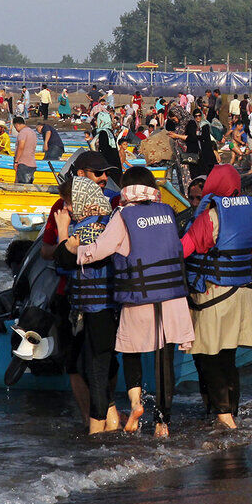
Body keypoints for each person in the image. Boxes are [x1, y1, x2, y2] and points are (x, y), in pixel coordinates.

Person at [65, 166, 194, 439]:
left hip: (139, 298)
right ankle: (163, 423)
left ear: (126, 190)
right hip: (173, 299)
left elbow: (101, 249)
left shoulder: (124, 215)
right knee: (164, 360)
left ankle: (136, 405)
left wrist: (76, 249)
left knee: (132, 351)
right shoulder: (167, 213)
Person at [180, 165, 252, 429]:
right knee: (227, 356)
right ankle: (230, 412)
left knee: (208, 355)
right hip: (241, 294)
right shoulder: (247, 213)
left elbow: (183, 250)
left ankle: (223, 417)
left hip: (212, 295)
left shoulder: (210, 216)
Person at [49, 175, 121, 434]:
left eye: (68, 203)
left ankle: (96, 433)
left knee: (96, 370)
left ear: (80, 200)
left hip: (99, 308)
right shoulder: (104, 221)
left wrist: (61, 230)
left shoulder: (92, 228)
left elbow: (63, 260)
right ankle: (112, 425)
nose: (66, 208)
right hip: (96, 308)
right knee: (90, 367)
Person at [12, 117, 38, 184]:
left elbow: (21, 147)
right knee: (28, 186)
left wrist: (16, 161)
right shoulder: (32, 132)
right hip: (32, 163)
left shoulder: (22, 132)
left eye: (15, 127)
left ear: (17, 124)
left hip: (23, 163)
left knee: (21, 186)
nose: (16, 130)